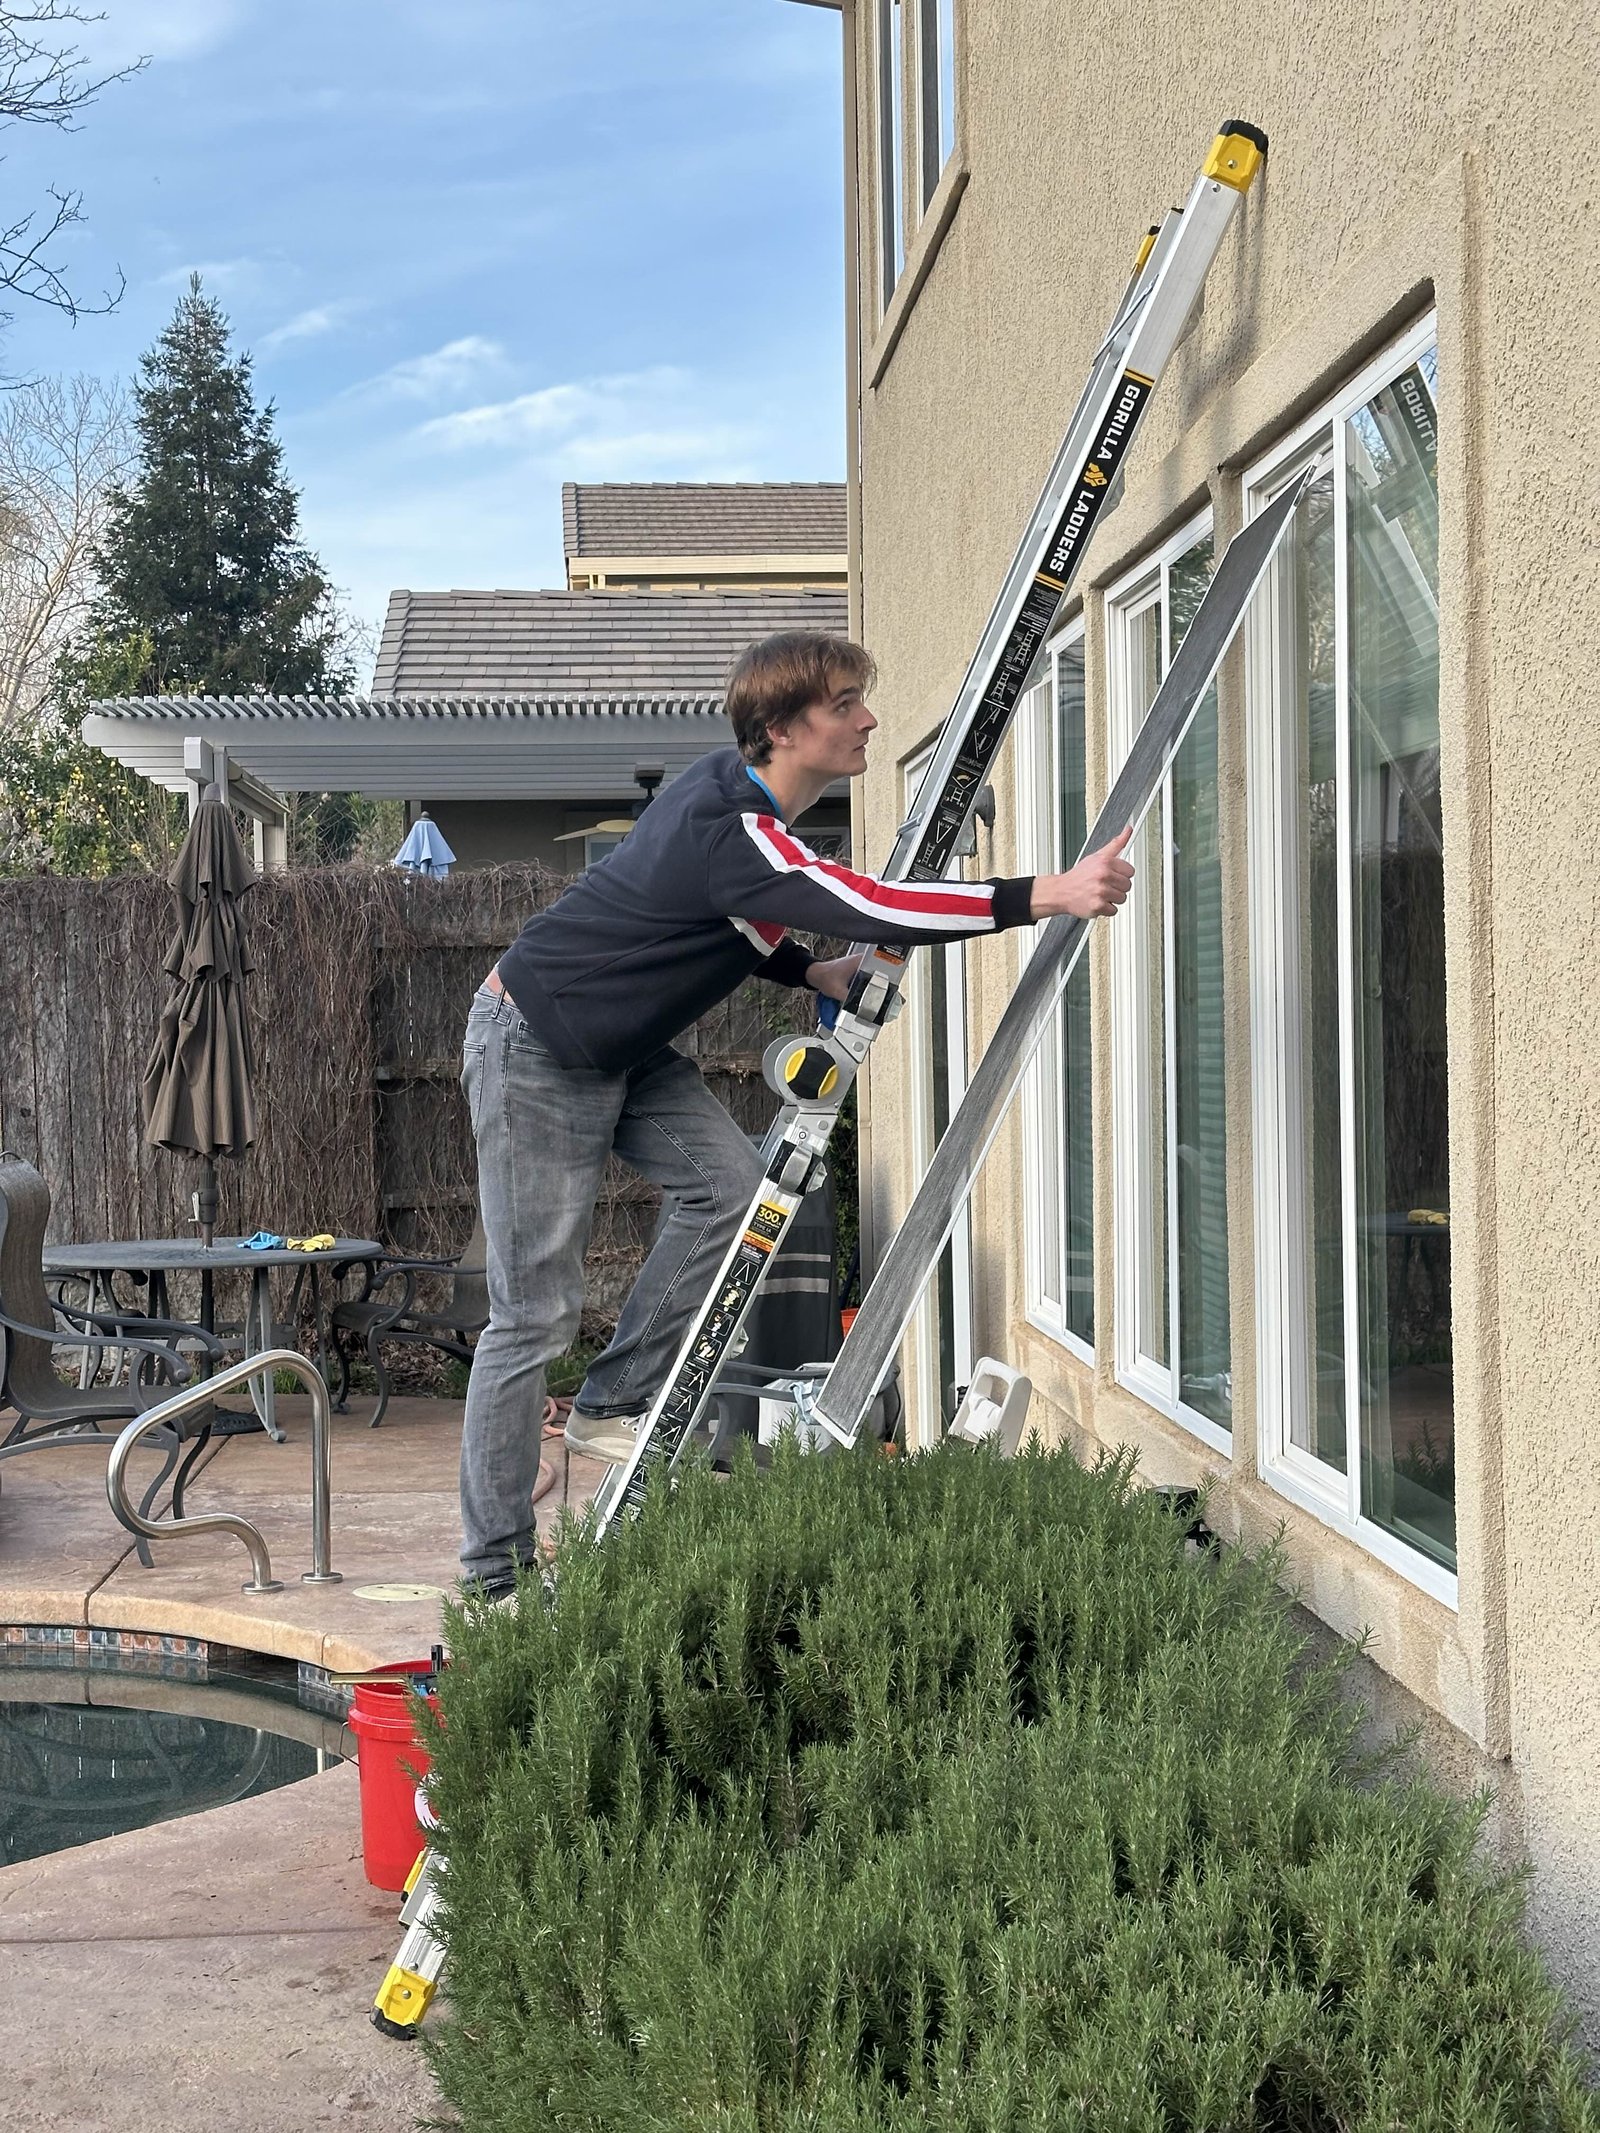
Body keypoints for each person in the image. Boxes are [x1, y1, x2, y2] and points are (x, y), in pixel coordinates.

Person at [458, 629, 1134, 1597]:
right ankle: (495, 1573)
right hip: (534, 1044)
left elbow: (723, 914)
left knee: (737, 1192)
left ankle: (614, 1398)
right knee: (532, 1317)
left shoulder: (737, 805)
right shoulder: (734, 827)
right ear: (781, 728)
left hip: (619, 1045)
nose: (867, 720)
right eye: (844, 705)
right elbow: (872, 904)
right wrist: (1048, 894)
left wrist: (809, 971)